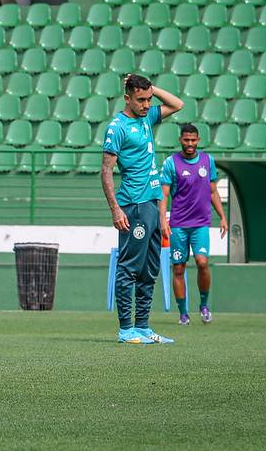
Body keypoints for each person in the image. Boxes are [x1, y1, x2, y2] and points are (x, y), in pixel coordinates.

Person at [101, 73, 183, 345]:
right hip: (132, 206)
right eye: (141, 99)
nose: (147, 104)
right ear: (127, 98)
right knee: (129, 268)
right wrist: (115, 210)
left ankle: (144, 327)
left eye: (149, 99)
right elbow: (106, 171)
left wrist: (152, 88)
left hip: (151, 203)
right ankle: (126, 330)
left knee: (149, 269)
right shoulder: (117, 127)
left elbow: (177, 104)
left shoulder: (147, 116)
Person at [159, 124, 228, 326]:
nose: (190, 144)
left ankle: (204, 306)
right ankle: (183, 313)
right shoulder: (171, 163)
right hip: (179, 224)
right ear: (180, 140)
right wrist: (163, 220)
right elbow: (163, 193)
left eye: (193, 140)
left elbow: (213, 191)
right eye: (186, 140)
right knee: (178, 268)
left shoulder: (208, 161)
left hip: (200, 223)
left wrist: (222, 216)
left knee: (202, 262)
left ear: (198, 140)